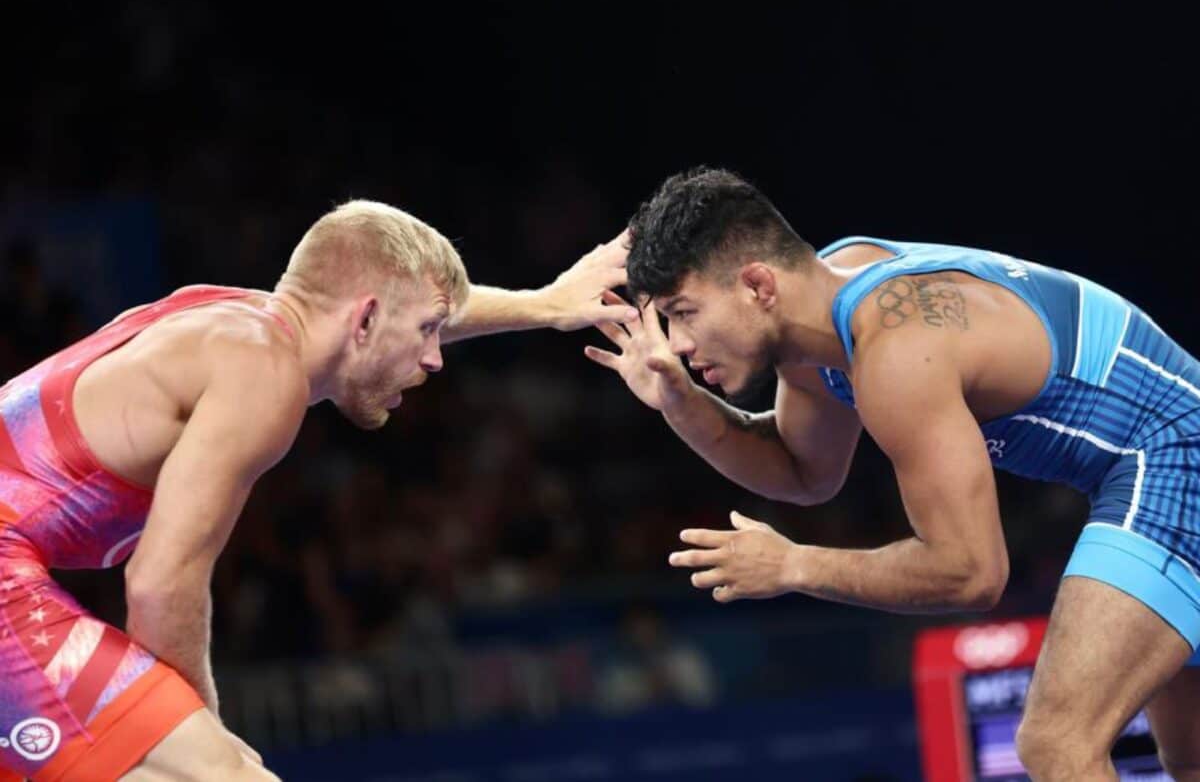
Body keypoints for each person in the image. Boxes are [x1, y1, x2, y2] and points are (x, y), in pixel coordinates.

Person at [587, 167, 1200, 781]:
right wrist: (680, 403)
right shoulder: (819, 314)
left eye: (684, 312)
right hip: (1154, 460)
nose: (680, 344)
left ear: (756, 285)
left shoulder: (897, 351)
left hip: (1175, 452)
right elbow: (804, 472)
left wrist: (794, 565)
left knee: (1057, 741)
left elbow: (971, 573)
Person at [0, 199, 635, 782]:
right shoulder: (262, 375)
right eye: (429, 332)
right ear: (364, 320)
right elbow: (159, 584)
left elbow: (408, 302)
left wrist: (547, 304)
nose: (438, 358)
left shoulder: (231, 319)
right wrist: (208, 730)